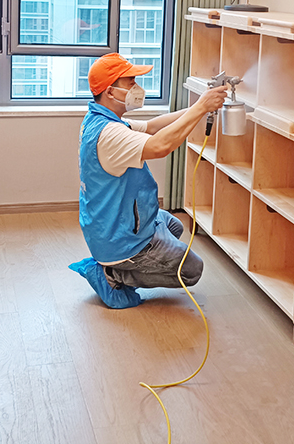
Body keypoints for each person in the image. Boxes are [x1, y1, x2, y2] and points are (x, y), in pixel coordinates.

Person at [69, 52, 228, 309]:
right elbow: (160, 145)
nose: (137, 88)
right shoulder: (110, 134)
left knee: (174, 226)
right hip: (117, 238)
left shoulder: (101, 120)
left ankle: (127, 260)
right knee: (191, 270)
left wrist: (201, 106)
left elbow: (153, 127)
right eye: (130, 82)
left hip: (109, 224)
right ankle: (113, 274)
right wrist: (201, 107)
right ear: (110, 92)